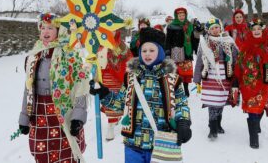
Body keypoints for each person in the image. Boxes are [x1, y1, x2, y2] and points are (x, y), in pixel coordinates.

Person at [90, 27, 192, 163]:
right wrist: (104, 93)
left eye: (152, 50)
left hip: (161, 142)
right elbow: (120, 104)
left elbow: (181, 103)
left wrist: (183, 122)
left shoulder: (172, 79)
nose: (147, 54)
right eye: (144, 51)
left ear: (160, 52)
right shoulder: (131, 78)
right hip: (133, 143)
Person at [18, 13, 89, 162]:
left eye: (50, 28)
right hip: (39, 114)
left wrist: (78, 117)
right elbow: (28, 88)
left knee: (66, 153)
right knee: (43, 153)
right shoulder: (33, 56)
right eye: (42, 28)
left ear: (59, 30)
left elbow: (81, 86)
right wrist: (24, 118)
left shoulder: (70, 54)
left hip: (62, 112)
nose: (45, 31)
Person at [232, 18, 268, 149]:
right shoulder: (245, 45)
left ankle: (256, 123)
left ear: (263, 29)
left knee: (260, 108)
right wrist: (236, 81)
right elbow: (238, 65)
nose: (256, 31)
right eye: (253, 29)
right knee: (252, 109)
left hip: (265, 83)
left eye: (259, 29)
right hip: (248, 85)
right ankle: (253, 137)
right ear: (250, 31)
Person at [194, 18, 238, 139]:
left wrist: (237, 76)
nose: (214, 30)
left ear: (220, 28)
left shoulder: (228, 41)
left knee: (221, 101)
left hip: (225, 76)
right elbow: (199, 61)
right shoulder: (204, 43)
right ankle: (212, 129)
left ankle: (218, 124)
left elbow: (235, 59)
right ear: (208, 30)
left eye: (216, 27)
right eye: (212, 28)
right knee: (212, 102)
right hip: (210, 77)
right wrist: (197, 78)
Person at [97, 30, 133, 141]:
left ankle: (111, 126)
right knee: (106, 99)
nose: (109, 32)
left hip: (118, 78)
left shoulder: (121, 46)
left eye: (112, 29)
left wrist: (126, 72)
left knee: (116, 100)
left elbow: (129, 60)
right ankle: (112, 121)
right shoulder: (99, 44)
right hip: (104, 77)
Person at [165, 7, 200, 97]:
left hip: (188, 50)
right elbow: (168, 40)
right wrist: (168, 51)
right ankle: (176, 88)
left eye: (183, 15)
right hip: (177, 50)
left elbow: (193, 38)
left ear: (185, 15)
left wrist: (196, 48)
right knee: (177, 71)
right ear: (176, 16)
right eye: (179, 15)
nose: (181, 17)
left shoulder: (189, 25)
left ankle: (186, 88)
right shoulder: (171, 26)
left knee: (187, 71)